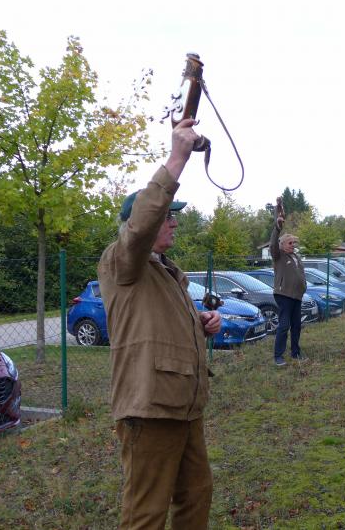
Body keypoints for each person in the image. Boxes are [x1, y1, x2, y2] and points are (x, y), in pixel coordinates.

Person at [97, 118, 222, 530]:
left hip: (183, 404)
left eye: (174, 217)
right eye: (167, 216)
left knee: (196, 494)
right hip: (149, 407)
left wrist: (201, 321)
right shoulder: (122, 261)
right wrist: (177, 159)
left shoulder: (167, 271)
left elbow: (159, 323)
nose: (174, 222)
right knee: (146, 512)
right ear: (146, 222)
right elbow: (141, 225)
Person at [269, 207, 308, 366]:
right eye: (290, 243)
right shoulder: (278, 255)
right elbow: (273, 243)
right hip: (284, 295)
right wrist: (277, 227)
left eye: (294, 243)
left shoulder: (296, 256)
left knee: (296, 325)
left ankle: (295, 352)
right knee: (284, 325)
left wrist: (304, 286)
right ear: (283, 244)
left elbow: (301, 274)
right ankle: (278, 356)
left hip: (297, 296)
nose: (293, 245)